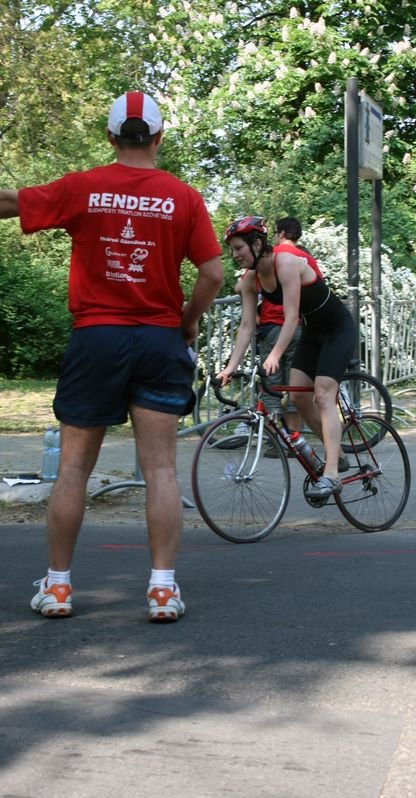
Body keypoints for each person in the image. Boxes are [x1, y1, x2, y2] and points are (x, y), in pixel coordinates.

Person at [0, 91, 224, 622]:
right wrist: (187, 320)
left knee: (73, 467)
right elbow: (213, 273)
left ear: (110, 138)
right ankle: (163, 590)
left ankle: (57, 588)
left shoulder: (84, 187)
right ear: (159, 137)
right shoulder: (183, 197)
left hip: (97, 337)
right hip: (159, 338)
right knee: (161, 470)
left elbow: (11, 202)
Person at [219, 215, 356, 498]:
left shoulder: (286, 262)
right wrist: (229, 368)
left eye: (239, 248)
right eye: (232, 250)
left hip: (337, 329)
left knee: (323, 393)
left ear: (257, 244)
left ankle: (331, 475)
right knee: (298, 397)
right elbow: (246, 326)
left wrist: (276, 355)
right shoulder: (250, 281)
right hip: (312, 334)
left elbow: (291, 316)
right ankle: (337, 454)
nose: (235, 255)